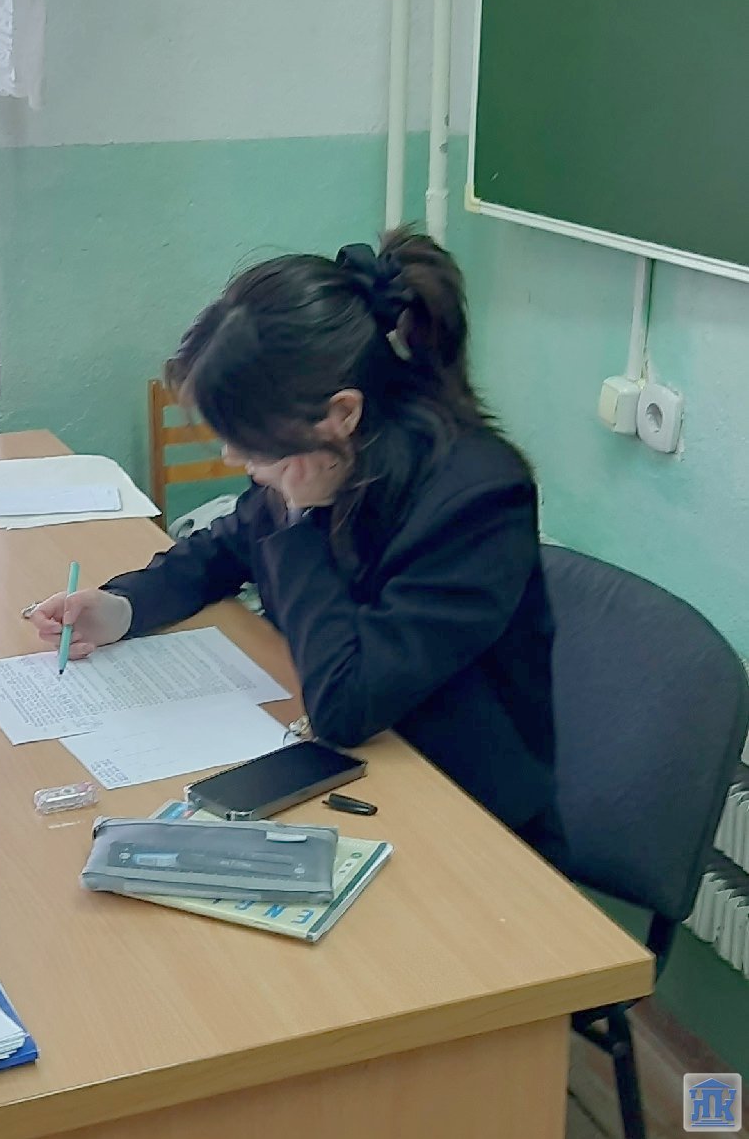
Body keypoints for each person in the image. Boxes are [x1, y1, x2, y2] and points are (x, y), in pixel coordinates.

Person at [30, 227, 564, 864]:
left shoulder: (477, 500)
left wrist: (299, 520)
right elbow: (226, 546)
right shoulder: (333, 453)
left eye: (248, 441)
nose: (233, 457)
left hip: (470, 819)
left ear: (341, 414)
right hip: (365, 773)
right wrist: (122, 608)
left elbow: (347, 705)